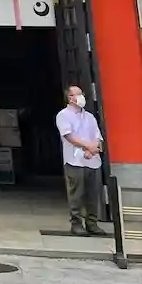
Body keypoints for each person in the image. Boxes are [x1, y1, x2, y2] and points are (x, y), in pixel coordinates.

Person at [55, 84, 108, 238]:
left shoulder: (90, 116)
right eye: (77, 94)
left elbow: (98, 136)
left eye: (81, 94)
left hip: (93, 160)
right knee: (76, 194)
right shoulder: (63, 115)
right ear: (70, 98)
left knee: (93, 194)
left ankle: (92, 223)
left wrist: (93, 149)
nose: (81, 97)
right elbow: (69, 136)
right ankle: (76, 224)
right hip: (75, 161)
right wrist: (87, 147)